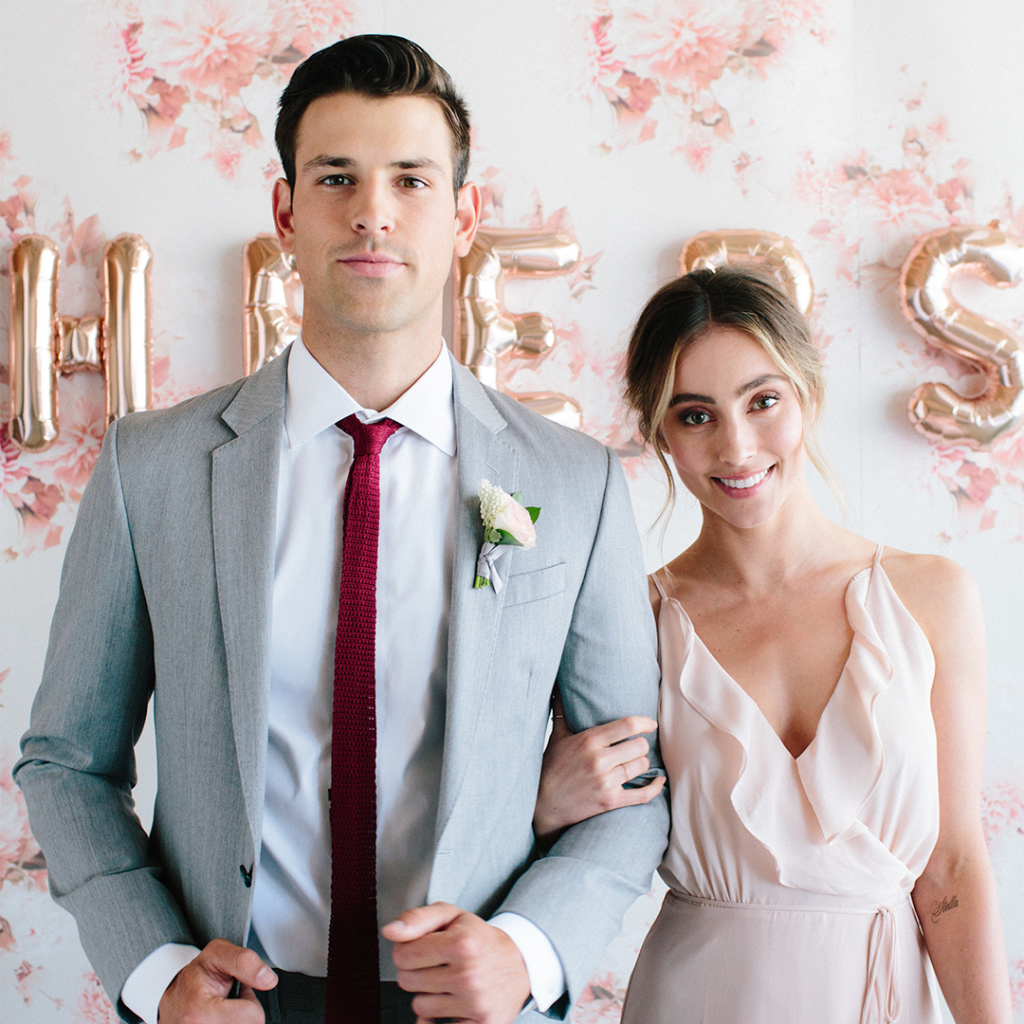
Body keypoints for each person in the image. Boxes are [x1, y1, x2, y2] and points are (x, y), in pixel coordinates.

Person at [14, 35, 668, 1024]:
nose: (373, 211)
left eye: (411, 178)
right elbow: (66, 763)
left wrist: (528, 954)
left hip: (474, 1005)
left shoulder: (572, 483)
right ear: (286, 211)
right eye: (336, 178)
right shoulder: (148, 466)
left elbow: (634, 785)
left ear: (463, 214)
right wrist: (152, 975)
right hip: (234, 1001)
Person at [533, 266, 1012, 1023]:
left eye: (763, 402)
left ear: (808, 395)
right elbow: (580, 838)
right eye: (695, 416)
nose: (737, 446)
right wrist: (542, 804)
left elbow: (951, 868)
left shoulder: (932, 597)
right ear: (658, 430)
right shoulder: (631, 620)